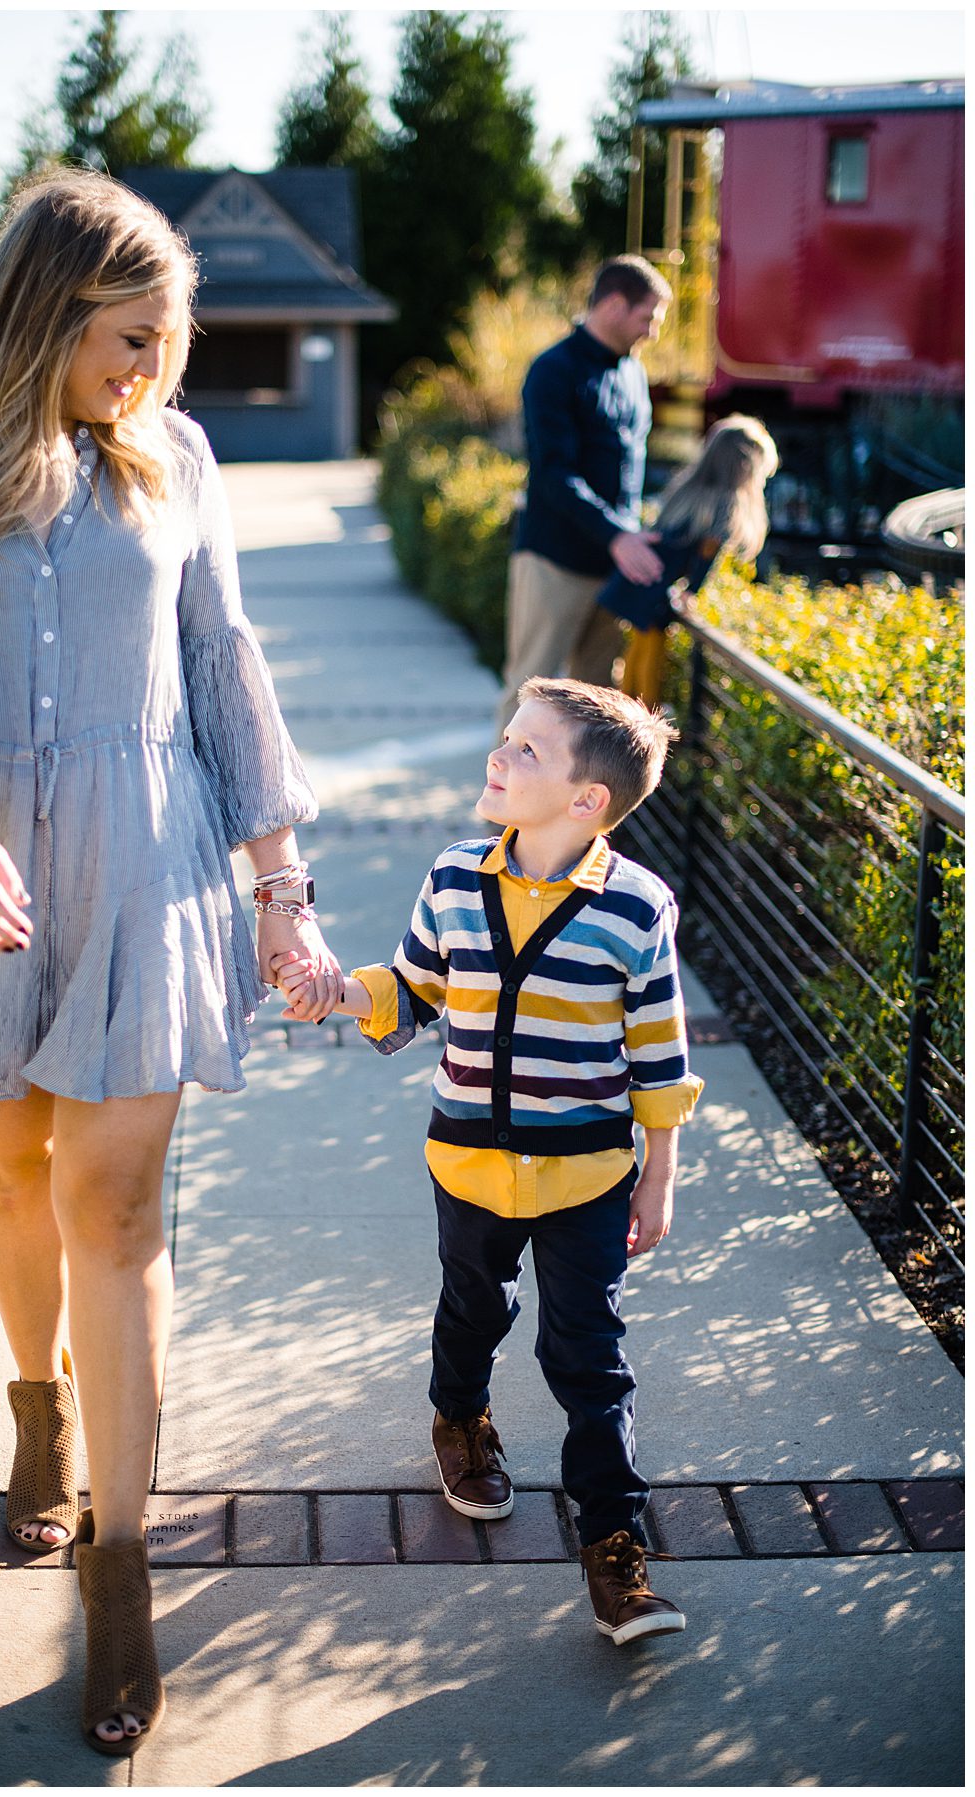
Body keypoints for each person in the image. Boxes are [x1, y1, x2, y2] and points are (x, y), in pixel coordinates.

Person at [0, 168, 340, 1755]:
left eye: (168, 343)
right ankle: (33, 1413)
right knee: (12, 1167)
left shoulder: (174, 452)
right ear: (49, 310)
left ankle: (119, 1566)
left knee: (114, 1203)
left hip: (148, 866)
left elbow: (224, 665)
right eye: (129, 338)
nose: (151, 374)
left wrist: (282, 887)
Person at [276, 677, 702, 1645]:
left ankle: (615, 1553)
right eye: (505, 741)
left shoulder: (637, 910)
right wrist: (336, 990)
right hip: (466, 1161)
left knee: (587, 1357)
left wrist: (659, 1170)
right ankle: (460, 1422)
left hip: (588, 1174)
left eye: (525, 753)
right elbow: (417, 989)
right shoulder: (455, 875)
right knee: (476, 1308)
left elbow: (659, 1053)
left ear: (587, 801)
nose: (497, 760)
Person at [497, 256, 674, 731]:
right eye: (648, 317)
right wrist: (620, 536)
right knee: (527, 695)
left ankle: (578, 807)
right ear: (615, 305)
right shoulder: (553, 370)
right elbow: (553, 474)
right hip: (553, 561)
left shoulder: (635, 375)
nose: (653, 331)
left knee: (596, 709)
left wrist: (637, 540)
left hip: (613, 567)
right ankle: (502, 809)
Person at [598, 416, 779, 706]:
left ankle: (626, 712)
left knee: (638, 650)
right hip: (655, 591)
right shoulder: (725, 503)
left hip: (642, 582)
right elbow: (707, 553)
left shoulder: (687, 489)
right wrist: (692, 591)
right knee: (651, 657)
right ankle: (641, 722)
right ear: (746, 466)